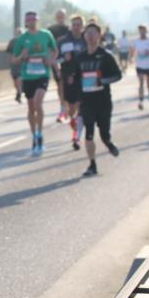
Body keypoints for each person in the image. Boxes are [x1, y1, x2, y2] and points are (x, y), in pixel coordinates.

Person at [75, 20, 122, 177]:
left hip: (103, 101)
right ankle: (92, 165)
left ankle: (108, 143)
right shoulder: (80, 57)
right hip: (87, 102)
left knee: (103, 134)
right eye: (87, 33)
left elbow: (118, 75)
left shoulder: (105, 56)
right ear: (84, 36)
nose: (90, 36)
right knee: (89, 133)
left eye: (93, 33)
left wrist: (102, 81)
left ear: (99, 36)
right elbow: (75, 78)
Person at [12, 11, 58, 156]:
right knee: (31, 108)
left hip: (42, 75)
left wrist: (50, 60)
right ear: (26, 22)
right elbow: (14, 60)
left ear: (37, 21)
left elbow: (55, 50)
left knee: (39, 104)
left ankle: (40, 133)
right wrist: (21, 56)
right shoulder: (22, 39)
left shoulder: (46, 35)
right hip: (28, 76)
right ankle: (34, 135)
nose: (31, 22)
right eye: (29, 20)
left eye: (34, 19)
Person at [57, 15, 87, 150]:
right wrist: (64, 58)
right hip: (68, 78)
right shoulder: (63, 41)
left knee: (81, 108)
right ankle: (75, 129)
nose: (76, 27)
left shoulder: (86, 40)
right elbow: (55, 59)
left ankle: (76, 137)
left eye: (79, 24)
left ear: (82, 26)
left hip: (83, 78)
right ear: (71, 25)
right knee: (72, 110)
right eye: (74, 24)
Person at [48, 9, 71, 123]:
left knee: (70, 85)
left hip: (69, 61)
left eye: (62, 15)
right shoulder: (51, 30)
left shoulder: (69, 30)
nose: (60, 17)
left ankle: (69, 106)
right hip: (56, 60)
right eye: (58, 16)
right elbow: (48, 46)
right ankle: (62, 107)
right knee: (60, 84)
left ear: (65, 17)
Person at [132, 24, 149, 110]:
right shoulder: (136, 41)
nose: (142, 32)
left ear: (146, 31)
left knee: (148, 83)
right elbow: (132, 51)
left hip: (148, 65)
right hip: (139, 65)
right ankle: (140, 101)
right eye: (140, 30)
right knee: (141, 83)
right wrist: (131, 58)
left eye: (143, 30)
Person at [7, 27, 23, 103]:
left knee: (20, 79)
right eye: (17, 32)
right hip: (14, 65)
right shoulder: (12, 42)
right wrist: (11, 61)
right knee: (15, 81)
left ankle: (19, 94)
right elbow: (9, 52)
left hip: (22, 64)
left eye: (20, 32)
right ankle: (18, 92)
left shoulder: (25, 41)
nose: (19, 34)